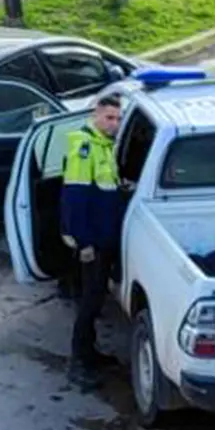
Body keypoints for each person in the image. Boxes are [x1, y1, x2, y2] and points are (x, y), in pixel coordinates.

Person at [60, 95, 125, 389]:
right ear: (96, 116)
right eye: (109, 118)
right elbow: (74, 200)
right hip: (93, 242)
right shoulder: (84, 148)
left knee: (96, 299)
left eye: (118, 118)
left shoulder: (104, 146)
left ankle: (90, 353)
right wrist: (83, 243)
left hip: (105, 237)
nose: (115, 124)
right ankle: (78, 363)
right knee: (88, 302)